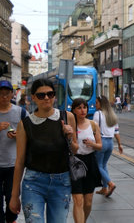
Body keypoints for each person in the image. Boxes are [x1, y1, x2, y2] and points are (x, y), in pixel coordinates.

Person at [9, 78, 78, 222]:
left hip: (61, 182)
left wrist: (70, 136)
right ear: (33, 97)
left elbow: (75, 150)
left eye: (50, 94)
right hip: (33, 182)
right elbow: (20, 161)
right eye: (41, 95)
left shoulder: (67, 117)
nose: (46, 98)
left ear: (54, 96)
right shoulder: (25, 124)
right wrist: (14, 195)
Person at [0, 80, 28, 223]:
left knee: (12, 197)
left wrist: (20, 135)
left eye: (7, 93)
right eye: (1, 94)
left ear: (12, 94)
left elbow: (31, 133)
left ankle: (11, 220)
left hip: (13, 164)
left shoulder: (21, 112)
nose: (4, 97)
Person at [71, 98, 102, 223]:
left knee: (88, 202)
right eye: (79, 108)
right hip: (75, 163)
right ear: (73, 110)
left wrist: (92, 144)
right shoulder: (71, 126)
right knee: (78, 200)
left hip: (90, 162)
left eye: (84, 107)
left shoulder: (93, 124)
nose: (82, 110)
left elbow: (100, 146)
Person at [93, 95, 123, 197]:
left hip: (102, 142)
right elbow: (116, 132)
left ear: (101, 104)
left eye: (96, 102)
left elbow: (94, 130)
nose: (95, 104)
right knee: (104, 165)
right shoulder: (112, 114)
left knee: (98, 166)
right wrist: (119, 144)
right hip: (110, 143)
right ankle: (104, 188)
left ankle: (110, 184)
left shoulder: (98, 114)